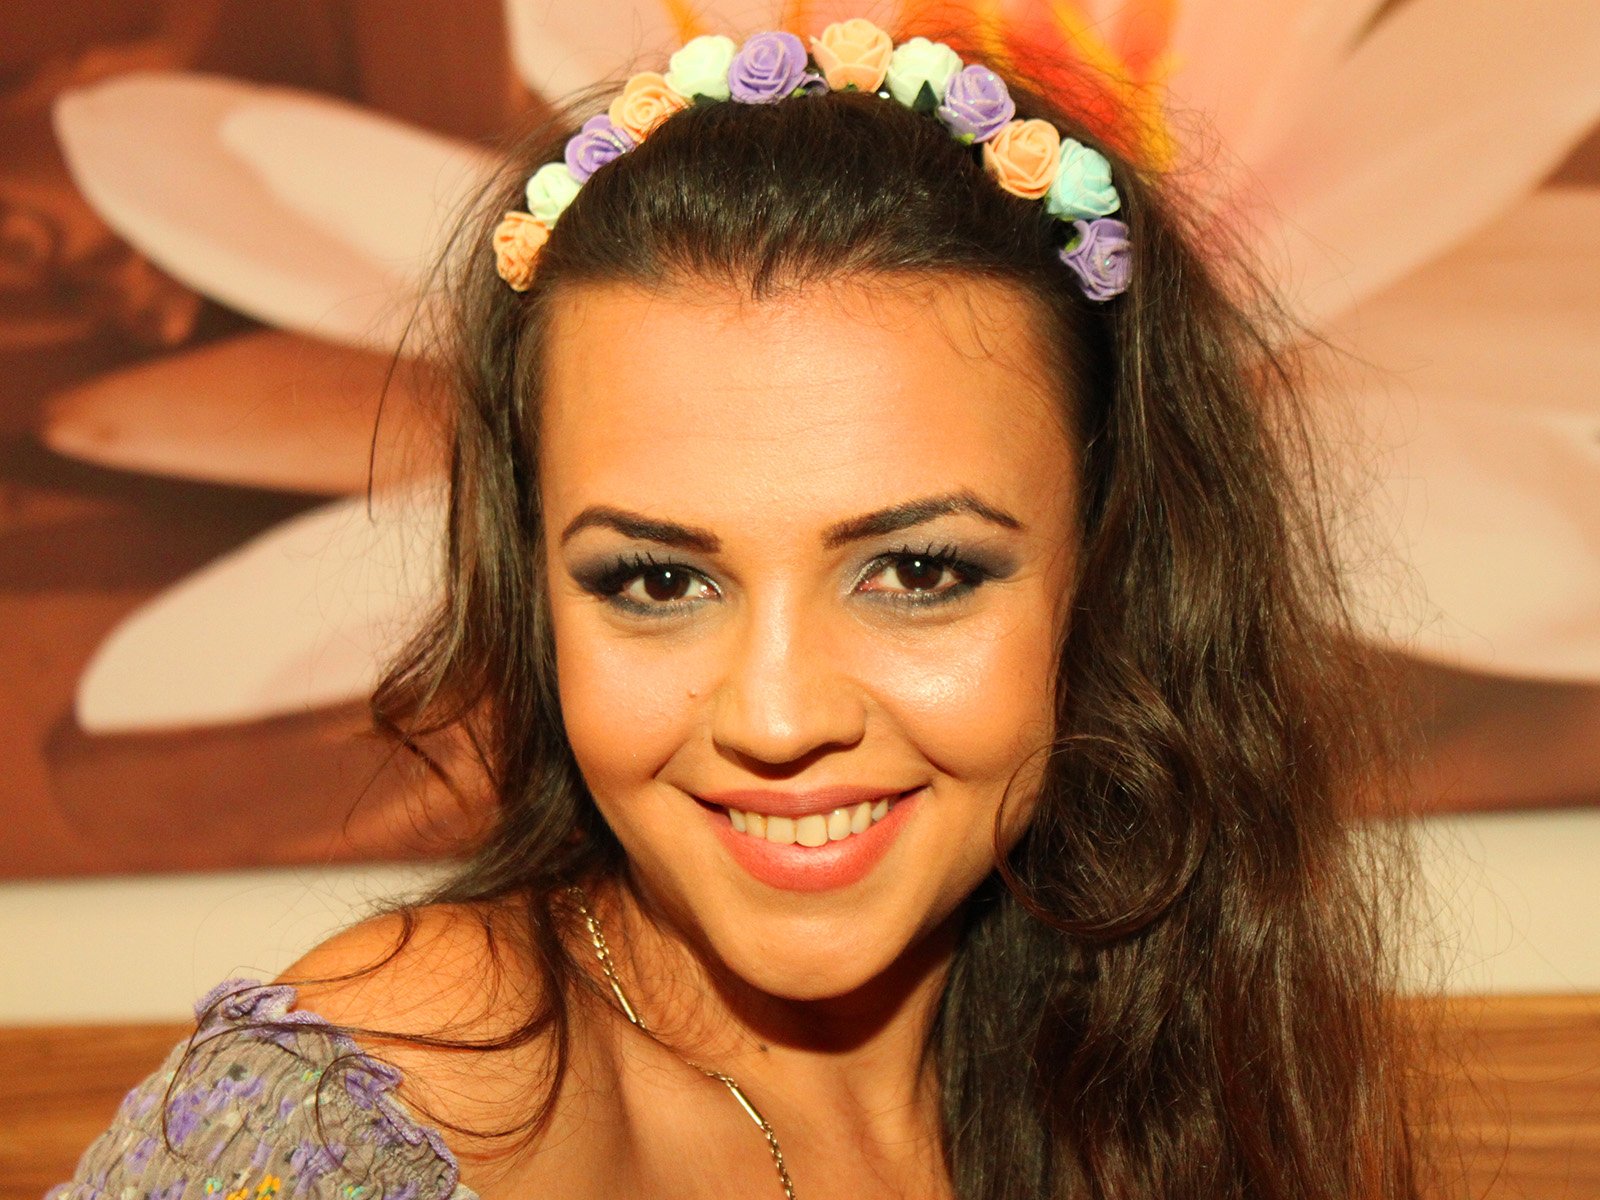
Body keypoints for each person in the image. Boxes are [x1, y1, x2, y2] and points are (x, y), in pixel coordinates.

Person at [49, 17, 1425, 1200]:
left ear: (1110, 572)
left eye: (918, 572)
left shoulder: (1143, 1077)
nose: (774, 717)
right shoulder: (396, 1099)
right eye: (659, 581)